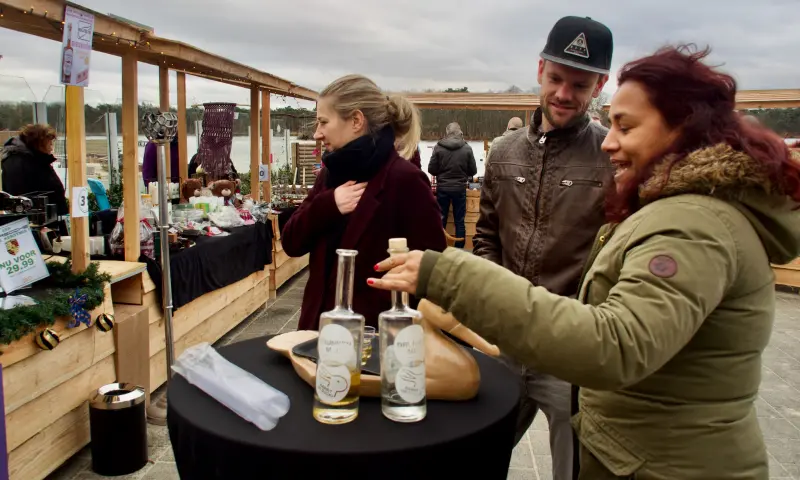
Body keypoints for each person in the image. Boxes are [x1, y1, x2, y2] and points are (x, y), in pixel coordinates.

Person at [368, 45, 800, 480]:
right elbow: (490, 233)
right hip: (608, 416)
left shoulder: (692, 223)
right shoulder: (675, 205)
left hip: (648, 445)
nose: (609, 142)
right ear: (540, 70)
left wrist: (453, 276)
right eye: (612, 124)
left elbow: (615, 345)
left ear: (683, 127)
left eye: (625, 127)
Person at [472, 16, 614, 480]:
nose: (563, 94)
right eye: (556, 78)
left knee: (574, 469)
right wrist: (494, 305)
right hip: (505, 341)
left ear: (600, 85)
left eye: (580, 84)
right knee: (477, 456)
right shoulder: (503, 152)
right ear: (539, 70)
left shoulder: (612, 159)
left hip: (570, 349)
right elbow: (487, 237)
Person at [282, 74, 446, 331]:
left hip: (376, 340)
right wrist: (329, 205)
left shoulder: (405, 179)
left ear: (356, 121)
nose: (317, 133)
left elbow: (434, 271)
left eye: (323, 122)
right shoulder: (329, 175)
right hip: (316, 336)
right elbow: (291, 242)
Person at [427, 122, 476, 249]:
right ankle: (459, 250)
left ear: (447, 132)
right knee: (459, 221)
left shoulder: (439, 147)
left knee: (441, 219)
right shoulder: (467, 148)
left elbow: (431, 169)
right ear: (460, 132)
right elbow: (473, 171)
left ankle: (440, 247)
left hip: (443, 188)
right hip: (460, 189)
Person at [1, 124, 68, 215]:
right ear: (39, 142)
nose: (51, 147)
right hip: (37, 218)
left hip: (47, 215)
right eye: (49, 143)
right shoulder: (20, 162)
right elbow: (20, 195)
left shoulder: (34, 158)